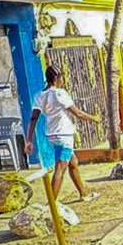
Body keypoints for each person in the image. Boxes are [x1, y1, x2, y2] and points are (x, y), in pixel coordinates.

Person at [24, 65, 100, 201]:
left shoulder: (40, 95)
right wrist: (94, 118)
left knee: (73, 162)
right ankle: (51, 205)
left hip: (52, 135)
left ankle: (83, 194)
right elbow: (77, 113)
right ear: (56, 79)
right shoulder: (60, 93)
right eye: (61, 78)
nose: (62, 81)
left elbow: (33, 118)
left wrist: (29, 140)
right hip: (64, 135)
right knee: (60, 167)